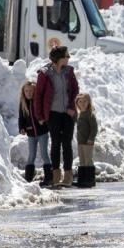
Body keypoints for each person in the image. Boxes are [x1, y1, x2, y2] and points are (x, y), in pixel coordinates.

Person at [34, 46, 80, 187]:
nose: (68, 58)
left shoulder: (69, 71)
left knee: (67, 144)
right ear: (59, 58)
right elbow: (38, 96)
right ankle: (56, 174)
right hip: (53, 113)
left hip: (67, 113)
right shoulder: (45, 73)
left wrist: (72, 108)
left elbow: (75, 90)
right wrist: (40, 115)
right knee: (55, 143)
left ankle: (68, 175)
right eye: (66, 56)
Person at [18, 81, 52, 186]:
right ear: (23, 92)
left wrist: (44, 121)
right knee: (31, 155)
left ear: (35, 91)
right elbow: (21, 118)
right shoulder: (23, 103)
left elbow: (46, 113)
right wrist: (22, 128)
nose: (29, 93)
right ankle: (28, 179)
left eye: (31, 91)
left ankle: (49, 178)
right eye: (26, 91)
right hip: (31, 134)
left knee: (44, 154)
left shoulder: (39, 102)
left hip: (42, 132)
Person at [74, 93, 99, 188]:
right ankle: (82, 180)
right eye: (80, 101)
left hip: (88, 142)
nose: (82, 103)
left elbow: (94, 128)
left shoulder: (90, 115)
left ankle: (90, 180)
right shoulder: (80, 114)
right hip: (80, 142)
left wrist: (91, 138)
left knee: (88, 160)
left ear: (89, 102)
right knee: (82, 160)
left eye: (85, 101)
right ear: (77, 103)